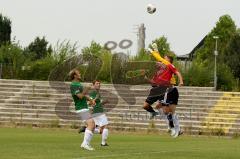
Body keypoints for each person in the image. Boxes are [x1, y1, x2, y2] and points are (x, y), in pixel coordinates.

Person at [143, 43, 183, 137]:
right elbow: (159, 60)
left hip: (170, 90)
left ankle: (175, 128)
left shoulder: (169, 66)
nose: (162, 60)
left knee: (169, 111)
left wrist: (153, 51)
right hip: (161, 89)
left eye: (165, 58)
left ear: (168, 60)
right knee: (160, 108)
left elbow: (159, 58)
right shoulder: (162, 68)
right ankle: (173, 127)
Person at [69, 69, 96, 151]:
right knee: (91, 124)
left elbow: (84, 95)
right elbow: (80, 96)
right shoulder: (73, 85)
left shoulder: (78, 84)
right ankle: (85, 144)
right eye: (78, 73)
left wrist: (91, 99)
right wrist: (87, 88)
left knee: (93, 125)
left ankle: (85, 143)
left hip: (84, 107)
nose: (80, 74)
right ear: (75, 75)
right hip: (81, 108)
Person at [89, 80, 110, 146]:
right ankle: (103, 143)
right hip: (97, 111)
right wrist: (96, 98)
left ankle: (86, 129)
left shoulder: (98, 93)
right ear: (93, 85)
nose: (99, 84)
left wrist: (104, 102)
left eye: (99, 83)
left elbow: (98, 103)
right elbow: (91, 102)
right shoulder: (93, 92)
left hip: (98, 111)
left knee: (101, 130)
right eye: (97, 83)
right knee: (105, 126)